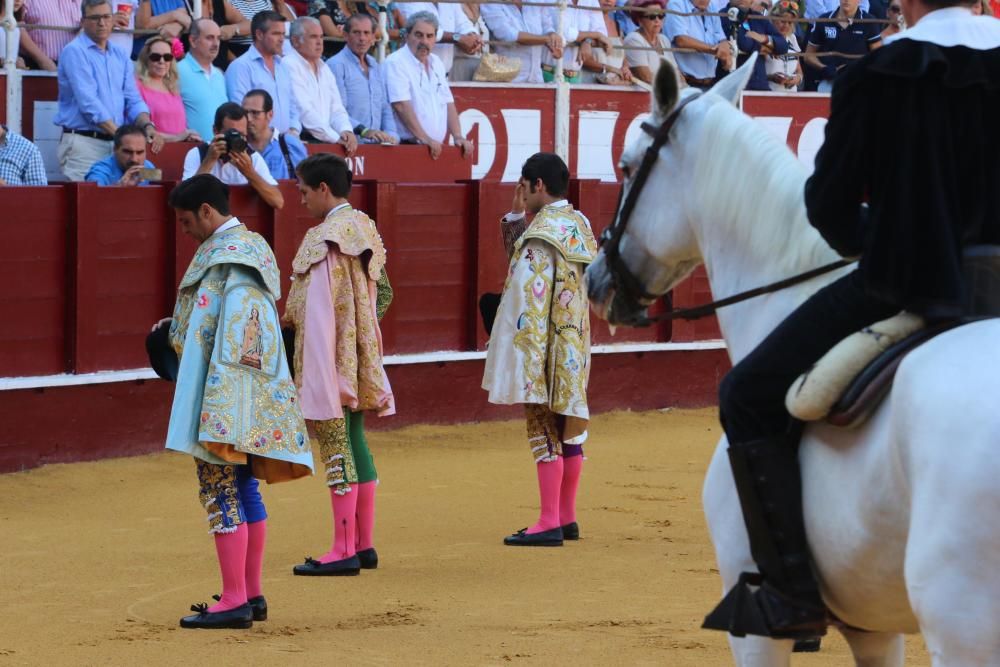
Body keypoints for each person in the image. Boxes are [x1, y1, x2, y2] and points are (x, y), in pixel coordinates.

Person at [704, 0, 1000, 641]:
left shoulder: (879, 72)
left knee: (747, 396)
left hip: (917, 284)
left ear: (905, 4)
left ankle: (790, 594)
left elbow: (830, 207)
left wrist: (888, 234)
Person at [154, 173, 312, 629]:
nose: (184, 231)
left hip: (220, 396)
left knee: (220, 489)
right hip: (254, 389)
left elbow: (202, 337)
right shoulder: (254, 249)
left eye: (186, 221)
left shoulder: (222, 262)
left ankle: (235, 598)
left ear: (207, 211)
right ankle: (253, 593)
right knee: (245, 487)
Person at [282, 153, 395, 576]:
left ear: (323, 189)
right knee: (356, 440)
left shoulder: (322, 237)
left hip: (326, 357)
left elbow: (304, 308)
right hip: (360, 356)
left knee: (334, 446)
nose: (302, 200)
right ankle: (363, 545)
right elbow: (383, 295)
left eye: (304, 191)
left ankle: (342, 549)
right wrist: (361, 336)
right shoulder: (366, 227)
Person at [482, 152, 598, 548]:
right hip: (576, 342)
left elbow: (524, 293)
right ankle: (566, 517)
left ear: (538, 186)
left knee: (543, 425)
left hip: (545, 344)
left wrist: (520, 355)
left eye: (523, 185)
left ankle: (548, 520)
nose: (521, 192)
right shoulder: (578, 224)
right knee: (569, 425)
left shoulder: (540, 234)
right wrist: (516, 219)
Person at [54, 0, 163, 182]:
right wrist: (124, 137)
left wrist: (147, 125)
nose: (102, 23)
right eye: (95, 18)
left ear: (113, 18)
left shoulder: (120, 54)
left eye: (106, 17)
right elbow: (89, 104)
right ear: (83, 21)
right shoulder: (74, 51)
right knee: (89, 203)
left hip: (117, 145)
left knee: (138, 189)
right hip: (85, 145)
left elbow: (133, 99)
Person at [384, 12, 472, 160]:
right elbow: (401, 106)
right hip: (407, 148)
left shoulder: (436, 62)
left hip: (434, 146)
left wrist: (457, 136)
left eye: (429, 36)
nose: (424, 41)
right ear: (407, 35)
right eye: (419, 35)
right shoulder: (396, 62)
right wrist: (424, 138)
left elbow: (448, 102)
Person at [182, 102, 284, 209]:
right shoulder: (198, 154)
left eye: (241, 135)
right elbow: (184, 200)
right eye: (231, 134)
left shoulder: (252, 157)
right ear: (215, 131)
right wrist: (208, 161)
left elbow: (278, 201)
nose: (236, 140)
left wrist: (249, 172)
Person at [283, 16, 358, 152]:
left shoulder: (324, 67)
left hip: (328, 139)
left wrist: (346, 130)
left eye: (321, 37)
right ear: (295, 41)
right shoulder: (288, 64)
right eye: (313, 37)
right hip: (304, 141)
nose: (319, 42)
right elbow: (304, 110)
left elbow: (336, 107)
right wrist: (335, 138)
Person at [328, 13, 400, 145]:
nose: (362, 38)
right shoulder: (336, 65)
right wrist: (365, 131)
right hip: (349, 146)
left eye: (367, 33)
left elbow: (385, 107)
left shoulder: (375, 65)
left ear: (373, 37)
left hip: (378, 147)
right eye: (356, 32)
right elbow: (337, 111)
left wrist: (392, 135)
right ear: (345, 35)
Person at [225, 10, 301, 136]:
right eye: (276, 34)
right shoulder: (240, 67)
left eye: (283, 34)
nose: (282, 39)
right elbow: (240, 112)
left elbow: (293, 106)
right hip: (257, 145)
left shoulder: (283, 66)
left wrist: (294, 130)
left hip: (286, 143)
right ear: (259, 34)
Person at [803, 0, 881, 92]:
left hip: (859, 84)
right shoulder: (823, 20)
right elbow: (808, 55)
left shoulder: (869, 22)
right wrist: (824, 68)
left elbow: (878, 57)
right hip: (829, 83)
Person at [135, 36, 201, 142]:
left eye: (167, 57)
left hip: (177, 150)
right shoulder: (137, 86)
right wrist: (177, 138)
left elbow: (179, 126)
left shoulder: (172, 87)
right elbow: (142, 130)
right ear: (146, 59)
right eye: (156, 57)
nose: (162, 61)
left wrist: (188, 136)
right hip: (152, 150)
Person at [481, 0, 564, 83]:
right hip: (507, 79)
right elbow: (507, 34)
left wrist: (552, 36)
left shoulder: (534, 2)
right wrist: (547, 40)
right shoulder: (491, 3)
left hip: (536, 77)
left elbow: (547, 26)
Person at [397, 1, 482, 77]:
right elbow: (420, 30)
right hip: (415, 75)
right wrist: (458, 38)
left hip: (444, 75)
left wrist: (473, 36)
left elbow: (463, 24)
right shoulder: (409, 2)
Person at [179, 18, 229, 142]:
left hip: (221, 151)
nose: (216, 44)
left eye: (218, 38)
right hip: (193, 152)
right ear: (193, 41)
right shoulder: (178, 71)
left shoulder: (219, 75)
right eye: (209, 38)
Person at [719, 0, 788, 90]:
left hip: (760, 85)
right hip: (734, 86)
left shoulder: (758, 17)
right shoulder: (722, 15)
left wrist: (764, 39)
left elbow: (783, 46)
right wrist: (766, 48)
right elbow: (743, 43)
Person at [242, 89, 307, 180]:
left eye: (255, 113)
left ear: (270, 114)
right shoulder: (238, 145)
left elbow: (305, 183)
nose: (248, 118)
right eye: (244, 113)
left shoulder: (289, 144)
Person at [665, 0, 732, 88]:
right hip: (685, 83)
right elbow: (681, 40)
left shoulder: (712, 5)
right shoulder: (676, 4)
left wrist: (724, 46)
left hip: (710, 83)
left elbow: (720, 36)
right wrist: (715, 50)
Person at [541, 0, 611, 84]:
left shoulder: (592, 1)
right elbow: (564, 33)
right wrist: (596, 35)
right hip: (548, 73)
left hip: (575, 77)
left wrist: (588, 41)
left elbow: (602, 34)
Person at [624, 0, 684, 85]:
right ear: (640, 20)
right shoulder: (634, 39)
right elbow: (646, 77)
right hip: (647, 94)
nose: (657, 20)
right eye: (652, 17)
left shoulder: (664, 39)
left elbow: (677, 73)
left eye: (660, 16)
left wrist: (685, 88)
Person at [579, 0, 634, 85]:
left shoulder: (617, 25)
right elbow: (582, 59)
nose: (608, 0)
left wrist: (625, 68)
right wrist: (610, 69)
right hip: (591, 84)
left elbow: (623, 56)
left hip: (616, 84)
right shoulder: (585, 22)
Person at [84, 123, 157, 185]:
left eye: (140, 152)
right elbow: (92, 196)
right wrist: (120, 187)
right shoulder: (102, 170)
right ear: (115, 149)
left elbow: (162, 192)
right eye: (128, 152)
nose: (134, 159)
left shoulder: (148, 168)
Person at [0, 0, 57, 71]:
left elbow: (45, 62)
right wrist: (6, 61)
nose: (18, 0)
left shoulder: (17, 26)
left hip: (12, 76)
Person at [766, 0, 804, 90]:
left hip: (791, 96)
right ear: (773, 19)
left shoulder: (793, 39)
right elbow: (755, 74)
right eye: (783, 21)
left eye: (790, 22)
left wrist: (798, 78)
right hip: (769, 94)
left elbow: (799, 70)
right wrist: (772, 77)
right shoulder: (764, 39)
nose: (786, 25)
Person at [449, 1, 489, 81]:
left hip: (481, 69)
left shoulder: (483, 9)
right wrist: (459, 38)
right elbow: (443, 33)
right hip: (458, 68)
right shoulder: (453, 5)